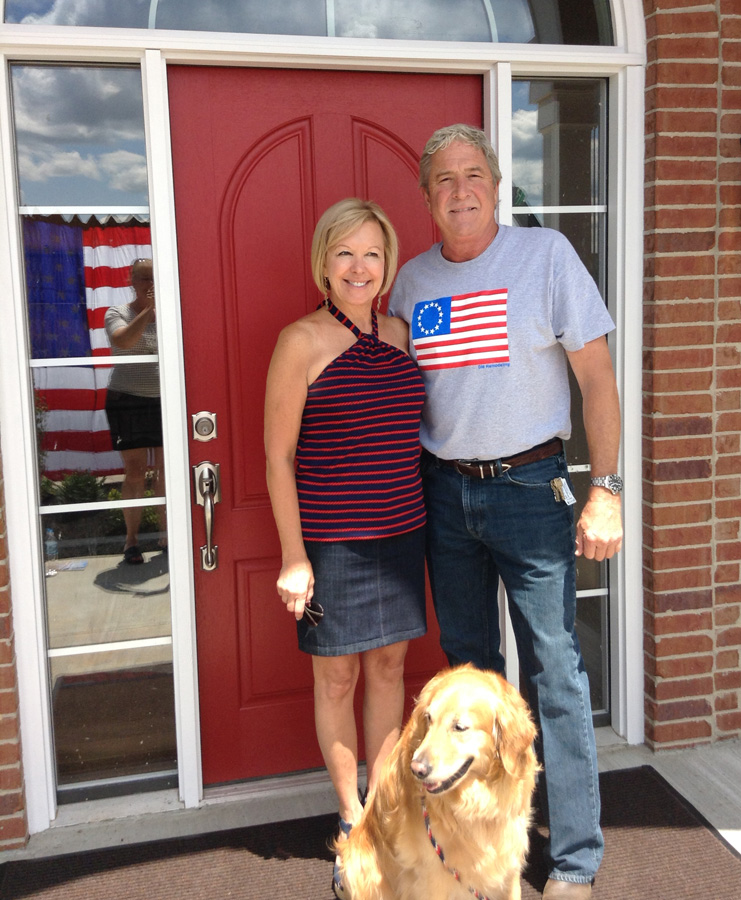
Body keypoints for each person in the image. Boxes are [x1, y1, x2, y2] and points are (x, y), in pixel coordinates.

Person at [389, 124, 623, 900]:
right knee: (468, 680)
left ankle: (576, 860)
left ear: (495, 185)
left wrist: (607, 489)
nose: (460, 190)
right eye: (443, 179)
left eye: (473, 175)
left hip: (530, 491)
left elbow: (597, 380)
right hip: (444, 494)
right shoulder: (411, 282)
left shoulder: (546, 256)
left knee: (554, 670)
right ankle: (485, 853)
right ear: (426, 196)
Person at [263, 198, 427, 898]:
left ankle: (383, 813)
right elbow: (278, 458)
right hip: (332, 543)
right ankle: (351, 820)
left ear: (388, 263)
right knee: (336, 680)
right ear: (323, 264)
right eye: (345, 254)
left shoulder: (403, 332)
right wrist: (294, 556)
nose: (360, 268)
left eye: (372, 254)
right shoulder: (299, 340)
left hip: (403, 532)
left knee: (389, 669)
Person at [104, 257, 166, 564]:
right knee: (136, 472)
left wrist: (160, 309)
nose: (151, 284)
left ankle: (168, 535)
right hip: (128, 399)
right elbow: (124, 341)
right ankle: (131, 541)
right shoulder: (117, 313)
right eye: (144, 278)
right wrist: (148, 311)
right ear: (132, 282)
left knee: (167, 471)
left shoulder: (172, 311)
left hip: (165, 400)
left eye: (155, 277)